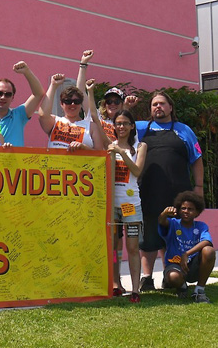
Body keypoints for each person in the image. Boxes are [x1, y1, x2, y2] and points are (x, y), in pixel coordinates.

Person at [133, 91, 204, 292]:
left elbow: (197, 159)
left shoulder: (184, 131)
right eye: (154, 104)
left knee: (173, 234)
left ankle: (170, 274)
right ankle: (146, 279)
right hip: (147, 192)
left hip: (178, 193)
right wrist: (127, 108)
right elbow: (117, 127)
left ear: (170, 107)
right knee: (147, 238)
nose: (158, 107)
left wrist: (198, 188)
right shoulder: (140, 128)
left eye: (162, 104)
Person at [107, 109, 147, 303]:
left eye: (125, 123)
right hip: (112, 207)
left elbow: (137, 170)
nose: (121, 127)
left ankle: (135, 289)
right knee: (114, 248)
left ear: (132, 126)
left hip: (131, 206)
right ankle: (116, 284)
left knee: (132, 247)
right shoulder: (109, 146)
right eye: (118, 123)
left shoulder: (140, 146)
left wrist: (122, 152)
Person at [159, 191, 214, 303]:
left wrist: (187, 254)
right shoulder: (173, 223)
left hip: (193, 266)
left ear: (197, 212)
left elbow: (207, 241)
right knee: (174, 277)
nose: (186, 211)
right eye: (183, 208)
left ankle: (199, 290)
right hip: (175, 264)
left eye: (190, 209)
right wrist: (164, 214)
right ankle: (182, 286)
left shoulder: (201, 226)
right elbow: (162, 222)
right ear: (178, 210)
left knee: (209, 251)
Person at [39, 74, 103, 151]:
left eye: (76, 101)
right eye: (68, 101)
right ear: (61, 104)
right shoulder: (54, 121)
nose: (72, 104)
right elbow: (43, 115)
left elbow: (101, 154)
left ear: (81, 104)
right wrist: (53, 86)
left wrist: (84, 148)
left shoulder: (91, 126)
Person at [0, 61, 45, 146]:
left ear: (13, 97)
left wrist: (27, 71)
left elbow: (39, 94)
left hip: (14, 159)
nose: (3, 97)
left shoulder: (19, 115)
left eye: (8, 94)